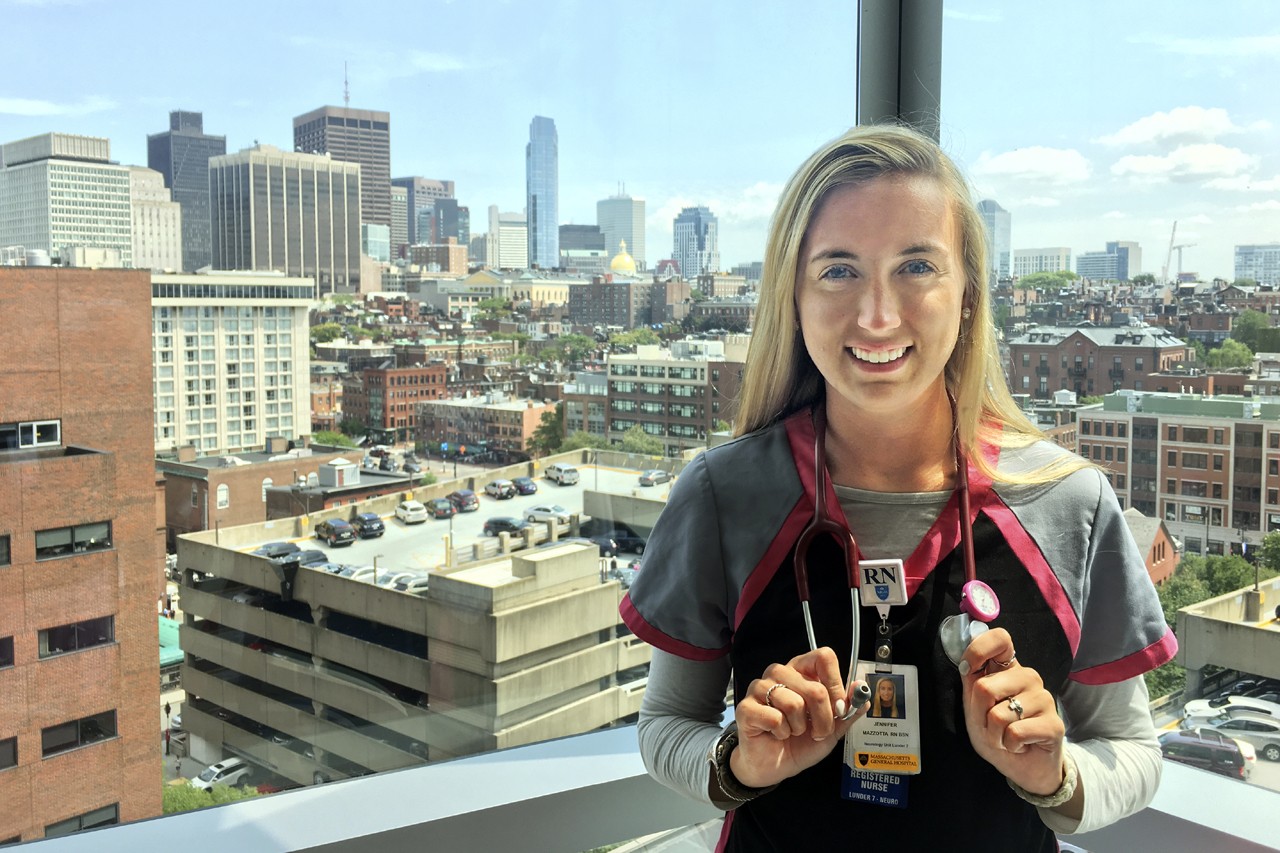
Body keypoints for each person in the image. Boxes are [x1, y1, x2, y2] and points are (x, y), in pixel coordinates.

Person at [620, 123, 1177, 852]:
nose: (878, 315)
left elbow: (1132, 748)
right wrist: (738, 762)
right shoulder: (723, 496)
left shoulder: (1069, 504)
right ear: (793, 294)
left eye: (916, 267)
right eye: (839, 270)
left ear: (969, 293)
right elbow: (667, 726)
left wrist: (1057, 775)